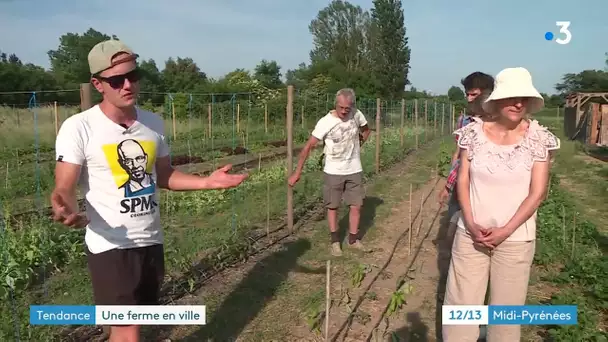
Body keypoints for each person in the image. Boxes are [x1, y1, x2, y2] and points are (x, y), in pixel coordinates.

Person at [50, 39, 247, 342]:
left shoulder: (152, 124)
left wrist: (205, 181)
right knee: (128, 331)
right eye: (117, 80)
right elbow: (64, 185)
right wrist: (64, 205)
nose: (128, 85)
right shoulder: (79, 127)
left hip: (150, 239)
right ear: (98, 84)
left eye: (134, 75)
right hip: (111, 245)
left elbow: (164, 175)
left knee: (133, 325)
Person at [442, 67, 560, 341]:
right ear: (497, 100)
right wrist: (470, 223)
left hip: (516, 239)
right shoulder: (473, 133)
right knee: (460, 311)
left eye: (524, 98)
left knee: (505, 318)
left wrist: (505, 231)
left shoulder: (538, 139)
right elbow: (463, 180)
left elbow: (537, 193)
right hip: (471, 235)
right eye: (511, 97)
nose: (518, 103)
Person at [288, 88, 371, 256]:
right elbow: (308, 147)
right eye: (340, 107)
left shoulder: (356, 115)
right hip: (333, 171)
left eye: (347, 108)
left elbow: (366, 130)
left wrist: (358, 145)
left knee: (356, 205)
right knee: (333, 206)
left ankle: (353, 240)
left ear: (352, 106)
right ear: (336, 104)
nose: (343, 111)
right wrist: (297, 172)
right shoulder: (325, 122)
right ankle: (335, 242)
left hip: (354, 169)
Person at [438, 72, 495, 222]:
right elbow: (458, 154)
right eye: (467, 94)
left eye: (474, 94)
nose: (469, 99)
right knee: (454, 221)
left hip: (486, 185)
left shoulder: (500, 123)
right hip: (462, 181)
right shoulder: (464, 121)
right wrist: (449, 184)